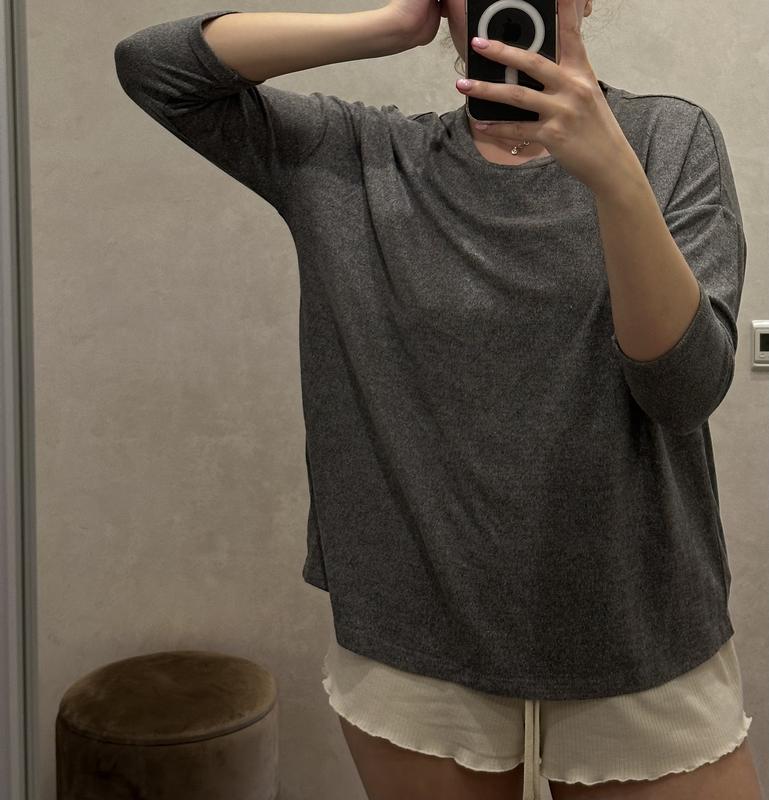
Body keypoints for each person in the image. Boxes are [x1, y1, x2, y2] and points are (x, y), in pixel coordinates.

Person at [114, 2, 763, 798]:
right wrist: (393, 24)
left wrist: (614, 179)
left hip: (636, 620)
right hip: (415, 634)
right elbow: (157, 69)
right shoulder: (359, 157)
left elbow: (684, 390)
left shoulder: (669, 140)